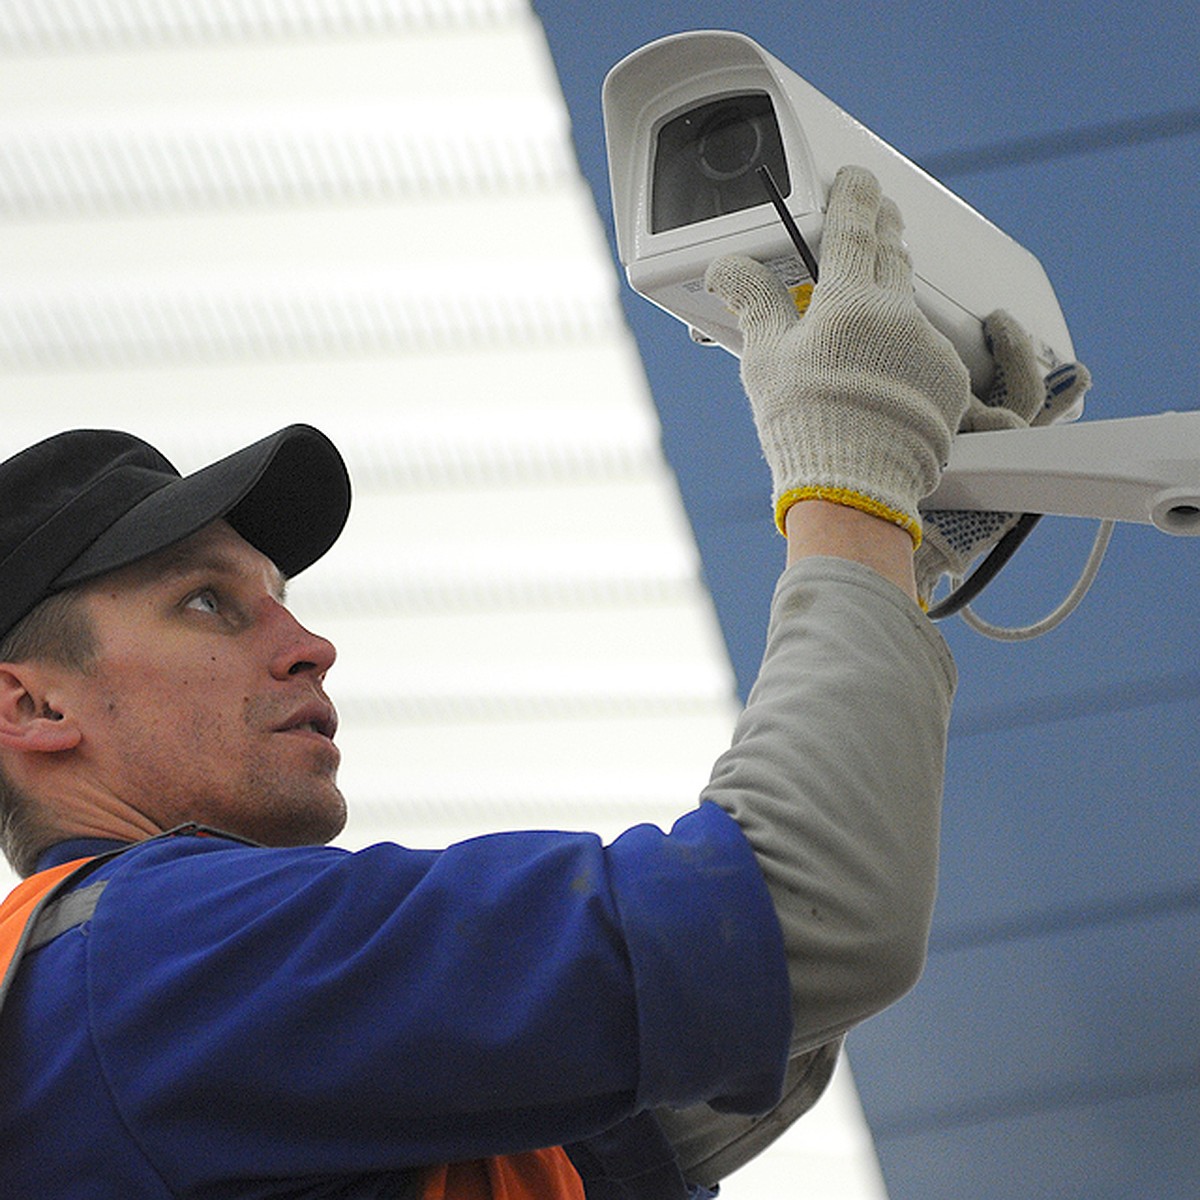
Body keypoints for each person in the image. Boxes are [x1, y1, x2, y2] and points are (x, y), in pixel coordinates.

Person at [0, 166, 976, 1198]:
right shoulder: (151, 960)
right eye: (206, 603)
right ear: (32, 706)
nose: (308, 644)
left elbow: (649, 1119)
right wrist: (852, 478)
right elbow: (810, 910)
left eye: (281, 595)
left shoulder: (158, 1030)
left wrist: (895, 546)